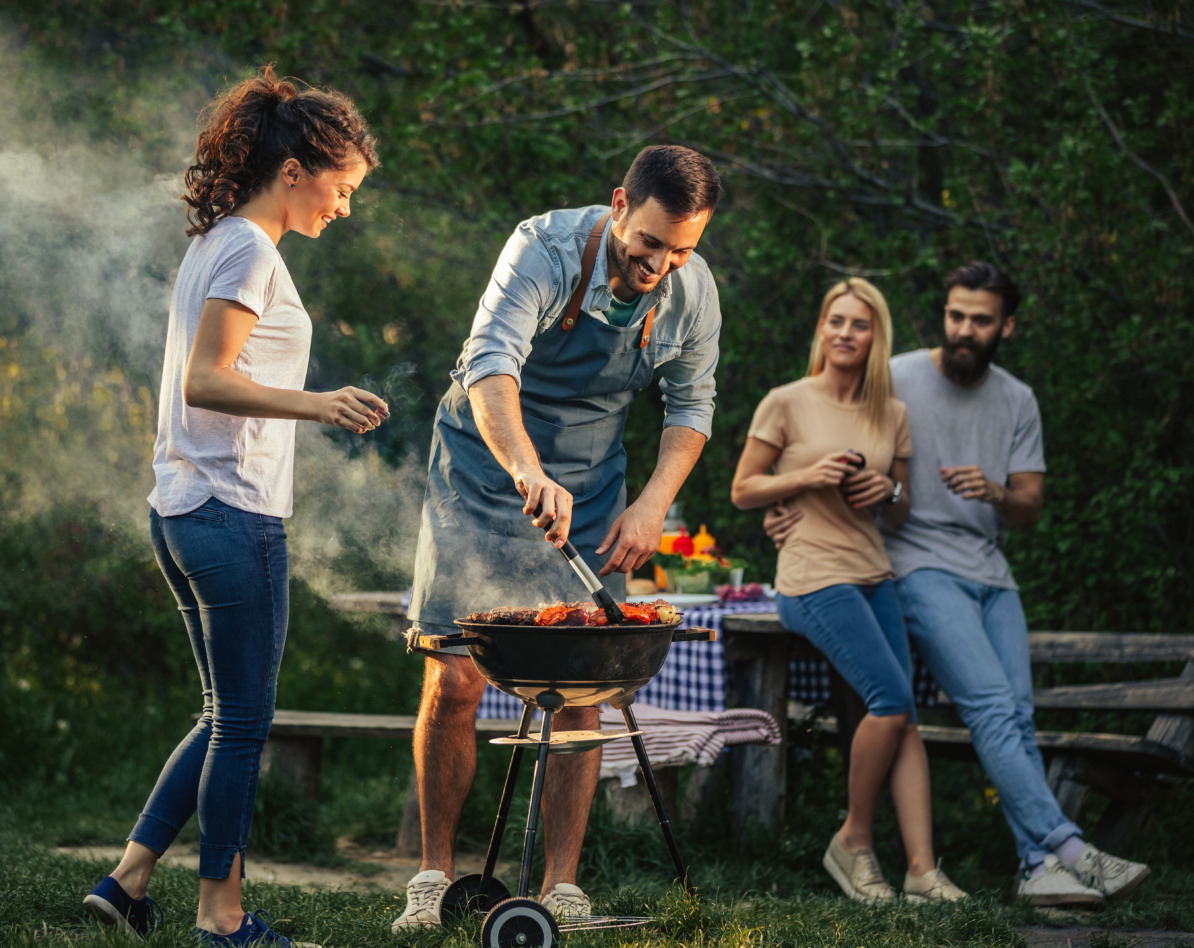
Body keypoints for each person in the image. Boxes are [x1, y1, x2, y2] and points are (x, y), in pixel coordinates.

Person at [82, 66, 388, 946]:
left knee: (222, 715)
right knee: (245, 725)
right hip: (229, 510)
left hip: (181, 507)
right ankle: (222, 918)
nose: (345, 205)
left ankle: (129, 878)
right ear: (296, 169)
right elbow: (207, 378)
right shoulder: (250, 248)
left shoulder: (217, 240)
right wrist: (319, 402)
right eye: (343, 187)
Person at [393, 145, 722, 929]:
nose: (661, 264)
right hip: (480, 470)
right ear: (618, 205)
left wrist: (648, 505)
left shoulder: (691, 291)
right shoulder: (538, 250)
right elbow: (490, 369)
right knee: (456, 678)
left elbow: (691, 409)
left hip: (595, 481)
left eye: (682, 250)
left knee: (584, 683)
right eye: (650, 243)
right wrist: (527, 471)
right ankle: (434, 876)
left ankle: (562, 887)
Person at [768, 262, 1151, 906]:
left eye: (980, 320)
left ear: (1007, 325)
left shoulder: (1017, 399)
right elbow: (818, 424)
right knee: (992, 709)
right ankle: (1072, 848)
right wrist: (790, 508)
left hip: (991, 572)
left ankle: (1036, 865)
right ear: (944, 316)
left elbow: (1029, 506)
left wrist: (997, 491)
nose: (965, 330)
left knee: (1017, 716)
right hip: (917, 566)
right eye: (955, 316)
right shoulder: (898, 376)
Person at [731, 278, 966, 903]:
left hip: (872, 571)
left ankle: (921, 871)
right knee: (889, 701)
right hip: (810, 577)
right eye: (835, 321)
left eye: (859, 324)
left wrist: (882, 490)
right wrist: (807, 476)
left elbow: (902, 511)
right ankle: (853, 841)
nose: (844, 333)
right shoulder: (786, 401)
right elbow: (743, 489)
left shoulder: (891, 412)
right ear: (822, 329)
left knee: (904, 718)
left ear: (874, 336)